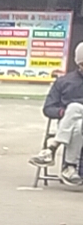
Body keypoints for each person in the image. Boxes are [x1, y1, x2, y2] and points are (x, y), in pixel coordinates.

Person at [35, 41, 83, 186]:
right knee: (78, 124)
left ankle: (52, 148)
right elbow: (48, 108)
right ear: (78, 64)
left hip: (66, 126)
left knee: (74, 107)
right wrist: (63, 112)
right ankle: (69, 167)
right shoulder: (64, 82)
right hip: (69, 124)